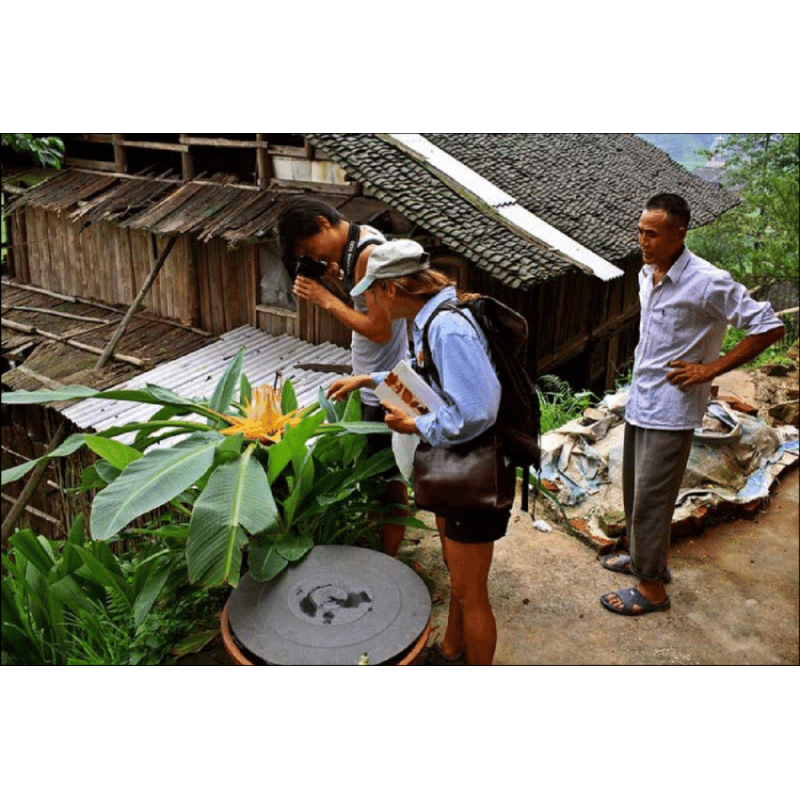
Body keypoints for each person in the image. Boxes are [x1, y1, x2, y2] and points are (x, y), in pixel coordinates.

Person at [327, 239, 512, 665]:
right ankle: (451, 651)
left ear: (392, 290)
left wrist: (415, 424)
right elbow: (423, 380)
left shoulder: (448, 328)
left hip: (473, 472)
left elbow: (478, 411)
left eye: (372, 292)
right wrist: (366, 380)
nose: (371, 302)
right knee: (460, 581)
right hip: (458, 469)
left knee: (473, 594)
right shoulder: (429, 317)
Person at [600, 193, 785, 616]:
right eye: (640, 232)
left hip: (672, 409)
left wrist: (712, 369)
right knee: (634, 490)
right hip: (642, 399)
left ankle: (651, 589)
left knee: (652, 498)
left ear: (680, 232)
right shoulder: (648, 274)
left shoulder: (708, 282)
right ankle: (642, 557)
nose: (643, 241)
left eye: (652, 234)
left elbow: (769, 325)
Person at [277, 198, 410, 556]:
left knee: (390, 481)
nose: (313, 256)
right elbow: (365, 310)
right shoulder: (358, 246)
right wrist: (337, 285)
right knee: (382, 475)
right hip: (379, 381)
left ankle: (389, 560)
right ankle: (383, 548)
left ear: (324, 223)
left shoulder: (367, 255)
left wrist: (325, 300)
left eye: (308, 247)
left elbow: (380, 330)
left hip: (387, 384)